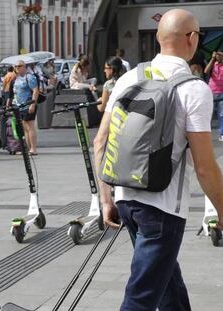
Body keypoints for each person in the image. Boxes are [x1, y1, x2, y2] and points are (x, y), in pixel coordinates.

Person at [93, 9, 223, 311]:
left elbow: (101, 140)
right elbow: (203, 165)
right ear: (191, 38)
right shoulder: (193, 89)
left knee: (167, 285)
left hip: (125, 198)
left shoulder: (127, 79)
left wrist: (106, 199)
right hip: (162, 209)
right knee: (141, 297)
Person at [9, 60, 39, 155]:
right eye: (16, 66)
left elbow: (35, 90)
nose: (17, 68)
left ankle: (33, 149)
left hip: (28, 104)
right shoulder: (16, 78)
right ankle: (28, 148)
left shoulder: (29, 77)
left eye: (19, 66)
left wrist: (33, 104)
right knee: (25, 128)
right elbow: (14, 92)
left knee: (30, 127)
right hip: (19, 106)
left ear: (24, 67)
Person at [204, 50, 223, 141]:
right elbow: (206, 71)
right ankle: (206, 134)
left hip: (222, 93)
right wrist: (212, 58)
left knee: (221, 114)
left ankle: (221, 134)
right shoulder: (213, 64)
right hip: (211, 91)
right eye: (217, 55)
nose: (218, 56)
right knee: (209, 113)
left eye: (220, 55)